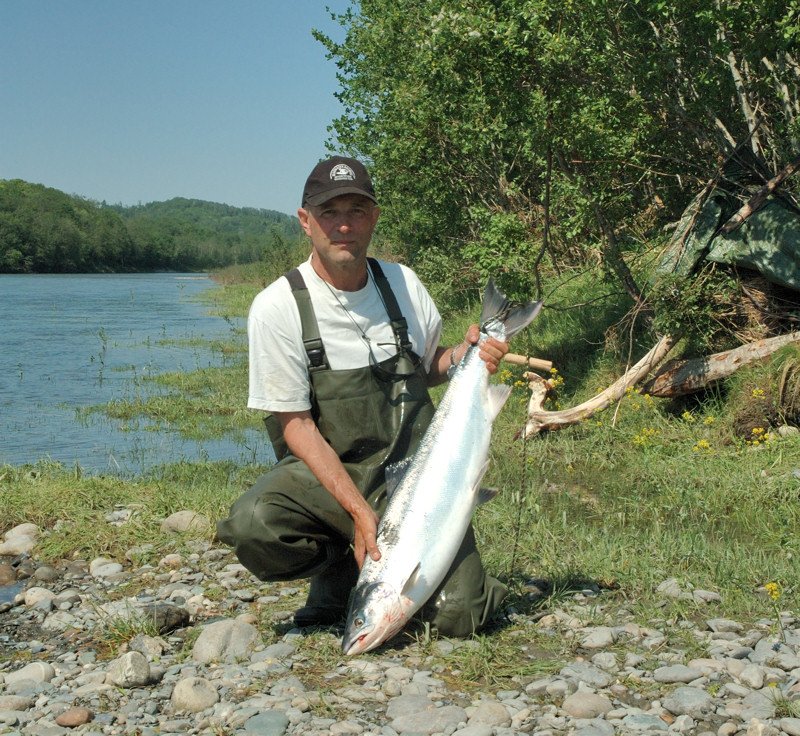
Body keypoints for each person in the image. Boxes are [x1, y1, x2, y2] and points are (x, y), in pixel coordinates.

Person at [217, 155, 509, 637]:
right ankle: (337, 570)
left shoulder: (403, 284)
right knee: (254, 524)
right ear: (305, 221)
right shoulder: (277, 307)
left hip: (413, 482)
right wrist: (356, 510)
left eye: (356, 210)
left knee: (462, 617)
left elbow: (427, 369)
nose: (344, 225)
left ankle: (435, 580)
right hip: (330, 478)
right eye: (329, 213)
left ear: (373, 218)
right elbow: (296, 426)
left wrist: (467, 354)